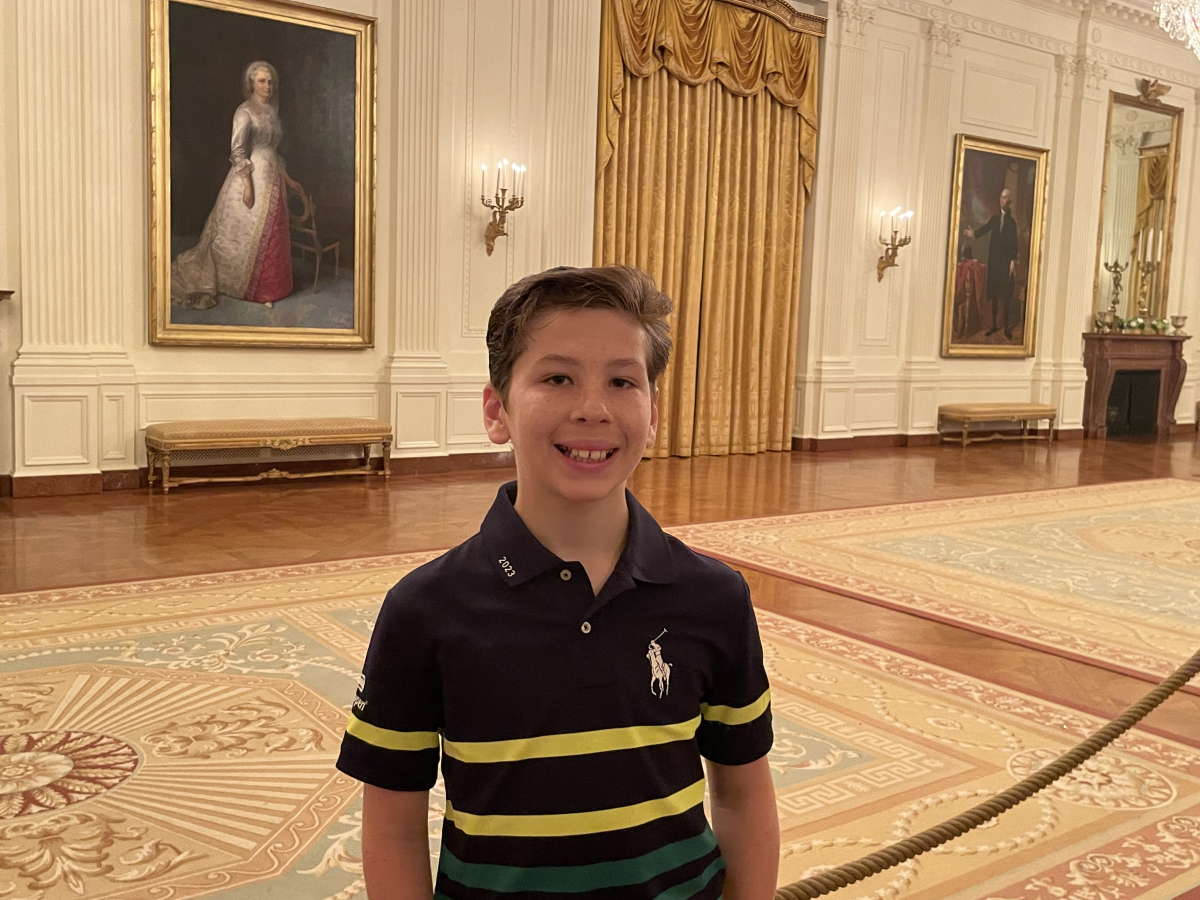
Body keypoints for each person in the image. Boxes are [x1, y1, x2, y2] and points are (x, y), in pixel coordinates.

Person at [337, 266, 780, 900]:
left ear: (653, 413)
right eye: (557, 377)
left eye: (623, 381)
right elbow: (393, 828)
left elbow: (741, 792)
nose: (593, 408)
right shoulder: (426, 609)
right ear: (498, 410)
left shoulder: (713, 596)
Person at [171, 60, 302, 310]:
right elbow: (239, 150)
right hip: (251, 177)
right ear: (251, 83)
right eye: (262, 81)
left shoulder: (272, 112)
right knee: (244, 235)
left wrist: (288, 179)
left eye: (270, 81)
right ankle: (249, 287)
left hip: (272, 177)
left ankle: (272, 287)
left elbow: (273, 150)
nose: (268, 86)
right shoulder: (245, 111)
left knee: (273, 230)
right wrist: (247, 185)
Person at [962, 187, 1021, 339]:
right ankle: (994, 325)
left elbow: (1014, 243)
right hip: (994, 262)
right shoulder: (995, 219)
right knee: (994, 295)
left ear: (1009, 201)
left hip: (1006, 263)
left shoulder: (1011, 222)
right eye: (1001, 197)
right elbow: (985, 229)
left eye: (1005, 197)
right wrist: (973, 234)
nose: (1003, 200)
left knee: (1006, 297)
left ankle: (1007, 328)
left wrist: (1013, 261)